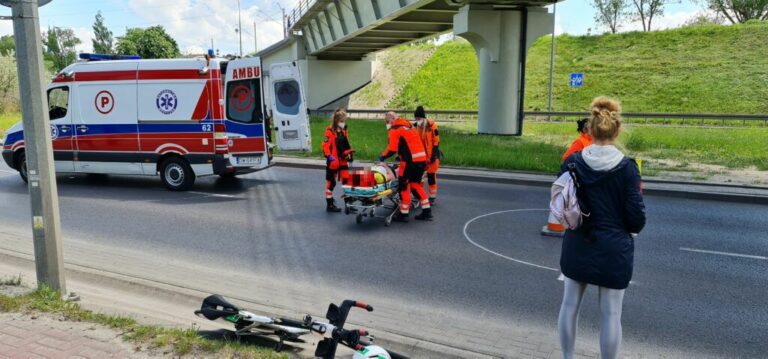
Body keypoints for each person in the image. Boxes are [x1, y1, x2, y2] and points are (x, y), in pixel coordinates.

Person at [557, 97, 646, 359]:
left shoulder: (572, 163)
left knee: (569, 305)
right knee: (611, 314)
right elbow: (636, 219)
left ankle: (567, 356)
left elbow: (562, 202)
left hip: (577, 242)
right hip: (614, 249)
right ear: (617, 131)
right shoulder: (628, 169)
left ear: (591, 129)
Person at [378, 111, 433, 222]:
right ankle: (427, 212)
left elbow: (392, 148)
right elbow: (410, 143)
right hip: (421, 160)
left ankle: (403, 214)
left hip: (409, 162)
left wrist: (383, 156)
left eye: (387, 121)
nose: (387, 124)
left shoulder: (395, 129)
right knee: (416, 185)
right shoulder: (409, 126)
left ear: (392, 119)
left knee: (404, 186)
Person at [322, 108, 354, 212]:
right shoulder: (329, 131)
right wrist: (329, 156)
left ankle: (348, 204)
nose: (343, 122)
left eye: (344, 120)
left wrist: (349, 154)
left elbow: (346, 144)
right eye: (342, 121)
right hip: (333, 161)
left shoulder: (344, 131)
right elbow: (325, 145)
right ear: (337, 120)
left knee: (346, 181)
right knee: (331, 182)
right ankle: (330, 204)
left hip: (343, 160)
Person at [412, 106, 441, 205]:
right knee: (419, 177)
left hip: (432, 156)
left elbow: (436, 141)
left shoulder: (432, 126)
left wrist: (433, 156)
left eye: (419, 118)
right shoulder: (415, 127)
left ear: (423, 117)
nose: (417, 120)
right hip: (420, 157)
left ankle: (432, 197)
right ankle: (419, 195)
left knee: (431, 177)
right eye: (416, 118)